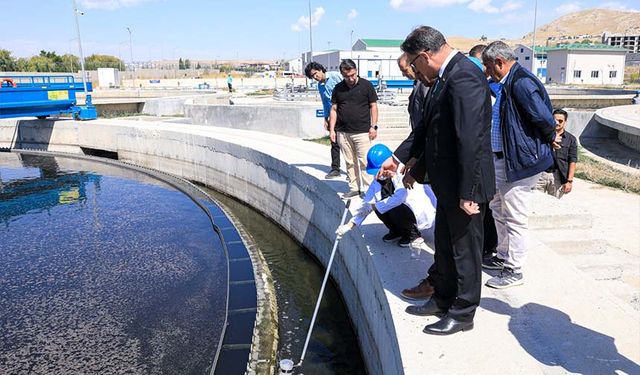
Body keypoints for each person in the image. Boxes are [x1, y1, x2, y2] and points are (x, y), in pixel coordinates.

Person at [390, 26, 495, 336]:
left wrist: (467, 192)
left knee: (466, 251)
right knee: (447, 249)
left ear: (424, 56)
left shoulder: (463, 76)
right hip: (448, 184)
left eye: (413, 64)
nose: (414, 70)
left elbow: (470, 139)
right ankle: (443, 298)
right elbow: (430, 131)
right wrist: (400, 159)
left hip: (466, 187)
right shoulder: (443, 78)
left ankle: (463, 313)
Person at [481, 41, 556, 289]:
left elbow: (544, 118)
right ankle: (503, 256)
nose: (488, 71)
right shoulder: (506, 81)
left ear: (500, 62)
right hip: (502, 159)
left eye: (489, 66)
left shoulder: (521, 82)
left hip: (518, 161)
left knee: (515, 216)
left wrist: (549, 139)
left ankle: (514, 269)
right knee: (498, 207)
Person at [335, 144, 437, 248]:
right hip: (403, 209)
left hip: (419, 211)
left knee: (391, 206)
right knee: (377, 206)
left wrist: (375, 206)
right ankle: (397, 231)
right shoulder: (378, 180)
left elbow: (400, 197)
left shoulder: (403, 172)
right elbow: (366, 205)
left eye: (383, 169)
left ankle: (413, 235)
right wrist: (349, 225)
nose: (381, 173)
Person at [329, 59, 379, 198]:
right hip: (343, 132)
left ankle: (369, 190)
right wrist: (332, 130)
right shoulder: (338, 88)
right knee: (349, 162)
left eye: (353, 75)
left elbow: (373, 106)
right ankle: (354, 188)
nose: (351, 79)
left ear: (356, 71)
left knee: (364, 161)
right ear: (342, 74)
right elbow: (333, 109)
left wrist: (373, 126)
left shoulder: (366, 86)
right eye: (347, 76)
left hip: (362, 132)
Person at [304, 62, 344, 179]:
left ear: (321, 69)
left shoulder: (336, 76)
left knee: (348, 142)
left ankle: (353, 170)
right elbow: (325, 102)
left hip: (345, 112)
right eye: (313, 77)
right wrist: (326, 119)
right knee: (334, 142)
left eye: (315, 74)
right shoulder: (320, 86)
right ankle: (335, 168)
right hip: (333, 115)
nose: (315, 77)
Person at [536, 109, 577, 198]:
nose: (557, 123)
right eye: (555, 120)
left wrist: (569, 181)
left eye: (560, 121)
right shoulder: (542, 136)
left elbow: (572, 160)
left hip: (558, 176)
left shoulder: (571, 139)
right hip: (540, 174)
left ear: (565, 121)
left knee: (554, 205)